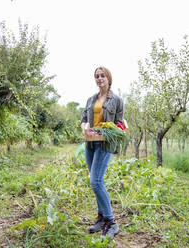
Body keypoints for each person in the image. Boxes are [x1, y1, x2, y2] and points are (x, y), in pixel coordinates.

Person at [81, 66, 124, 240]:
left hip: (105, 144)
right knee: (95, 182)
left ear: (109, 78)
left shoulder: (117, 100)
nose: (99, 79)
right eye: (97, 76)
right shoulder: (91, 99)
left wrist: (107, 131)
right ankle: (100, 218)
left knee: (96, 181)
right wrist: (85, 127)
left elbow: (119, 124)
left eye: (102, 76)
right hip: (90, 144)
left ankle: (111, 222)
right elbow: (84, 119)